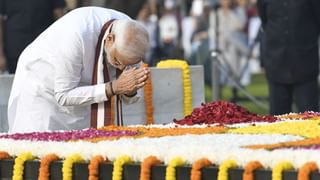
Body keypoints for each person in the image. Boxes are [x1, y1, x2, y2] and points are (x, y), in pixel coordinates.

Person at [8, 7, 150, 132]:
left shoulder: (133, 36)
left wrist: (130, 88)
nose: (121, 68)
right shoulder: (77, 34)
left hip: (85, 93)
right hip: (44, 88)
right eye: (117, 62)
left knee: (81, 151)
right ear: (110, 39)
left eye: (127, 64)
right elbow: (63, 95)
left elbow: (129, 96)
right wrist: (113, 87)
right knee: (38, 146)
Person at [257, 0, 320, 115]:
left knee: (310, 118)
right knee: (277, 119)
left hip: (305, 64)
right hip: (276, 64)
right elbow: (265, 22)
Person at [0, 0, 66, 74]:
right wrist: (1, 55)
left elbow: (60, 17)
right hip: (15, 49)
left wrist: (63, 50)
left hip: (44, 49)